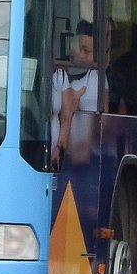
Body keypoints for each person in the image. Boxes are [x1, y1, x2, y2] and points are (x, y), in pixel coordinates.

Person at [51, 20, 98, 170]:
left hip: (67, 156)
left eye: (87, 50)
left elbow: (66, 115)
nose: (81, 55)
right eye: (80, 48)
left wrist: (59, 148)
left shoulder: (61, 75)